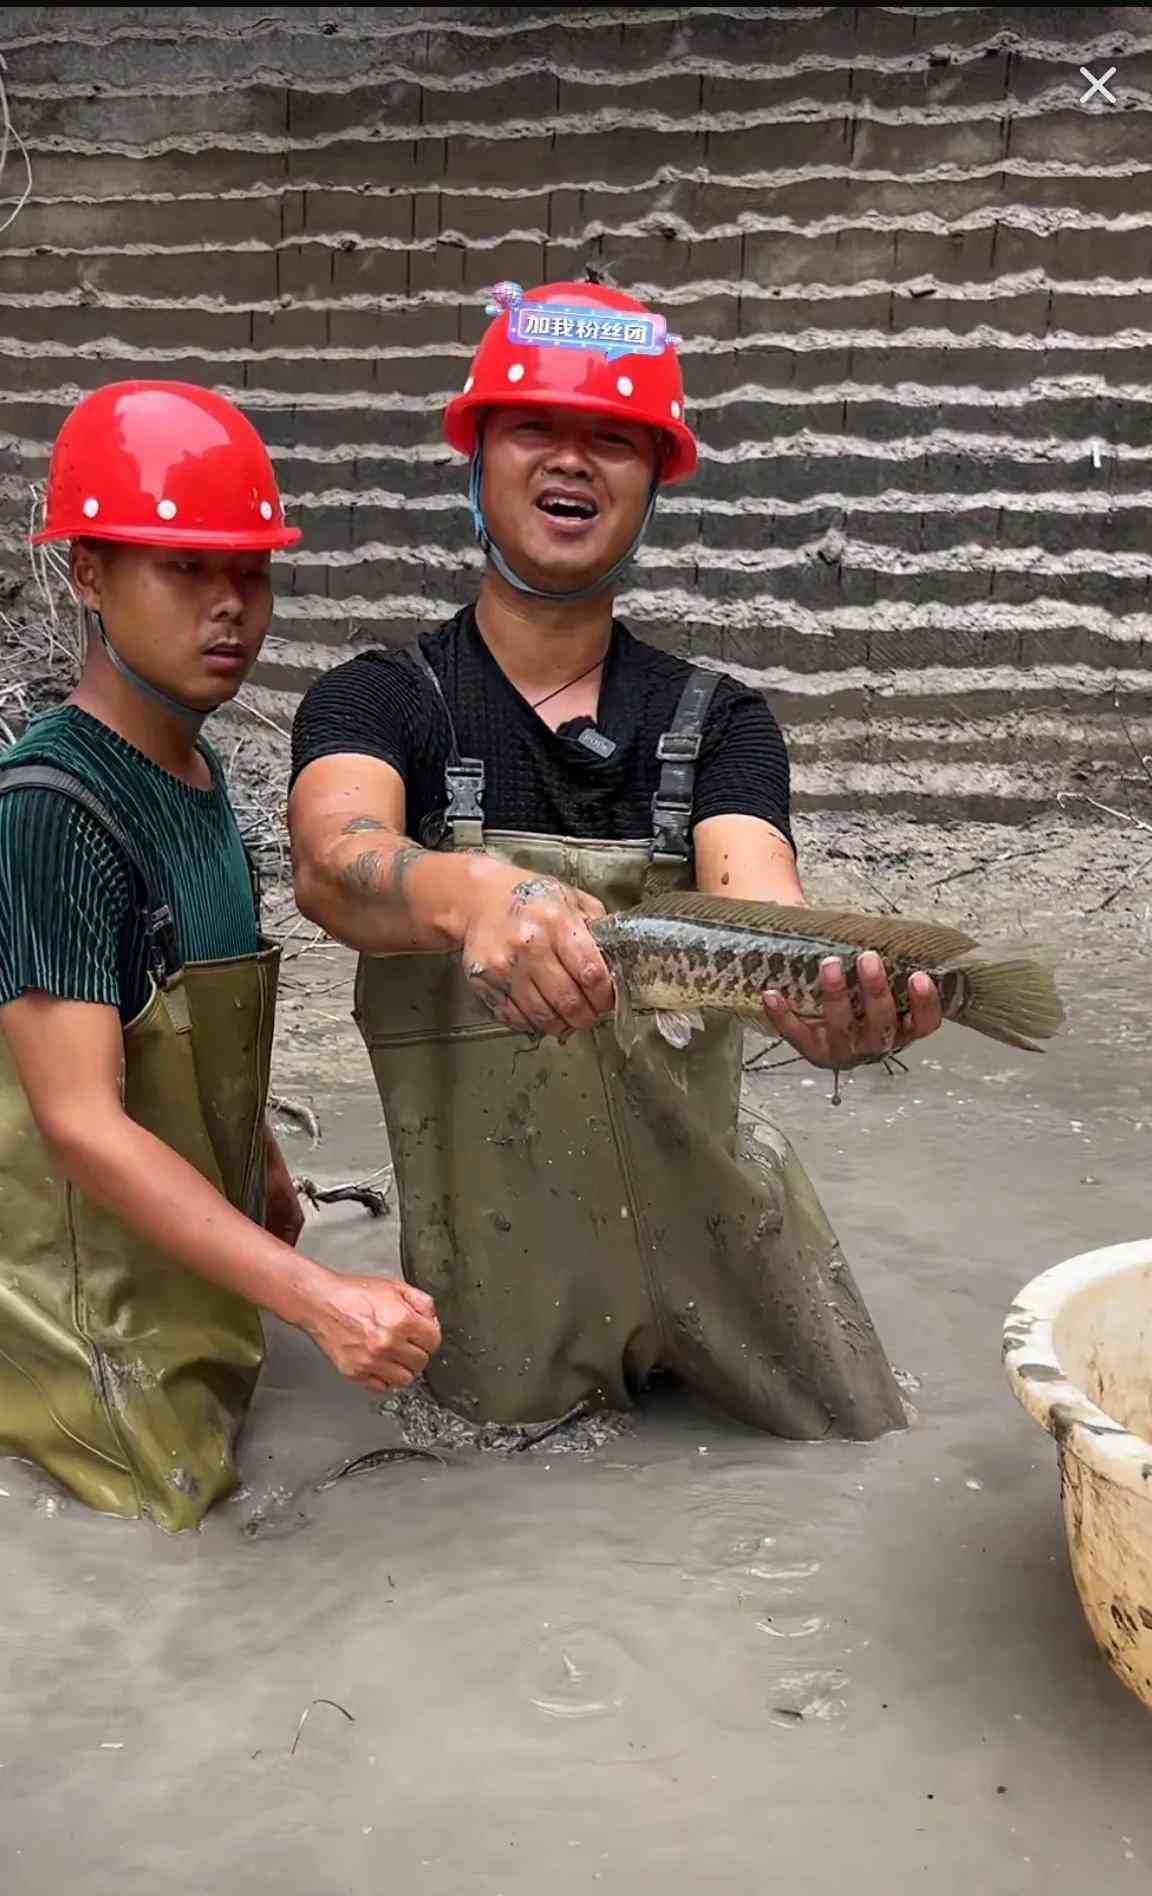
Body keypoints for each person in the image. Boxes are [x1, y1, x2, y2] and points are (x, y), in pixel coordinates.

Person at [289, 280, 941, 1437]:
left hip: (730, 1244)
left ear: (656, 478)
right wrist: (470, 890)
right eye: (537, 428)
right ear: (478, 455)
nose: (572, 463)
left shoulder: (723, 721)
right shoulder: (384, 701)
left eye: (613, 440)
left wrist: (838, 1001)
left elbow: (762, 906)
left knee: (863, 1457)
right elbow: (337, 861)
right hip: (499, 1277)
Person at [0, 380, 440, 1532]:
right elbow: (80, 1126)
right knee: (174, 1564)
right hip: (96, 1347)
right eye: (184, 568)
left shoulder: (197, 781)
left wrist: (269, 1178)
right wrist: (322, 1299)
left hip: (196, 1301)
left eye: (249, 570)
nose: (230, 606)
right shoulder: (52, 807)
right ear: (89, 573)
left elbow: (195, 1028)